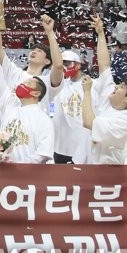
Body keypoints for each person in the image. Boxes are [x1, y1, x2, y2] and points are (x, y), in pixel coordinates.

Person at [81, 15, 127, 164]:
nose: (116, 86)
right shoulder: (111, 99)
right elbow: (105, 65)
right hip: (86, 163)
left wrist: (87, 92)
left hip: (107, 171)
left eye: (122, 87)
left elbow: (88, 122)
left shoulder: (125, 121)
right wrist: (100, 33)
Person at [0, 35, 53, 164]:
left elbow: (43, 153)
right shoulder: (9, 104)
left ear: (36, 93)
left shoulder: (43, 118)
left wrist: (18, 165)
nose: (21, 85)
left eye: (27, 84)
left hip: (30, 176)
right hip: (3, 170)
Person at [44, 14, 89, 165]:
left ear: (78, 65)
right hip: (60, 146)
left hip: (82, 145)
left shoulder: (90, 85)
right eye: (62, 63)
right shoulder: (59, 83)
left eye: (68, 63)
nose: (64, 67)